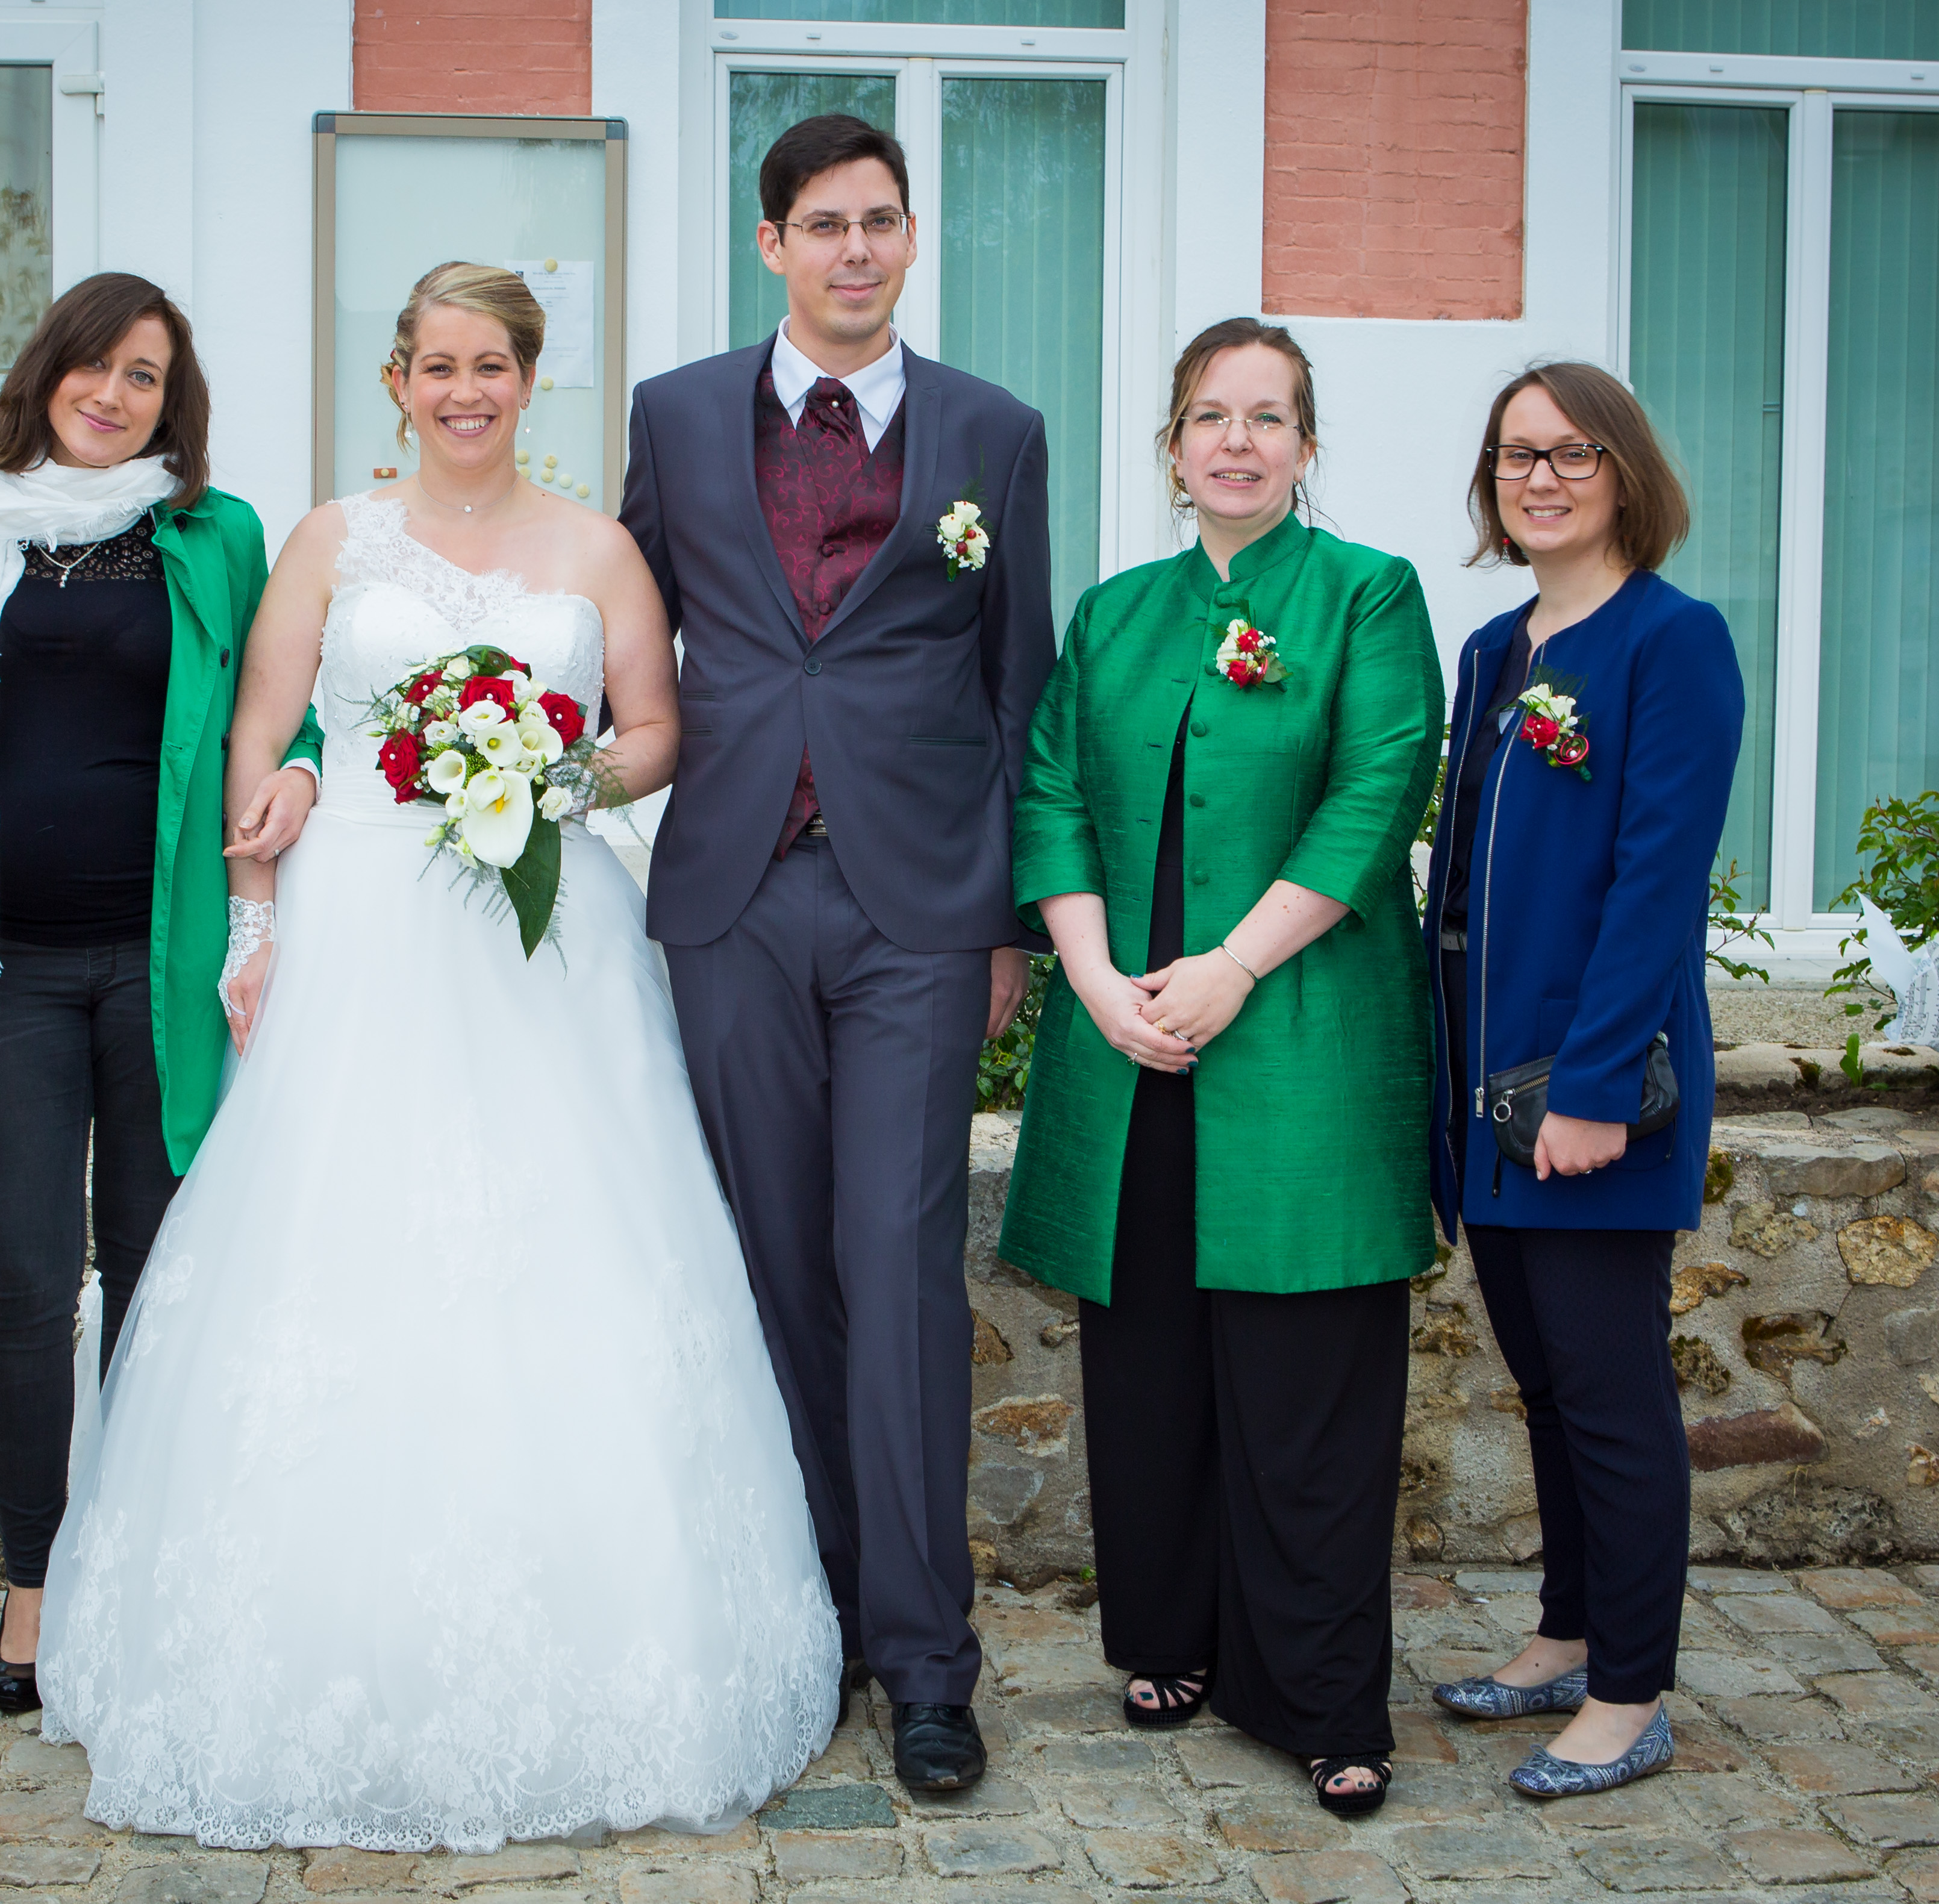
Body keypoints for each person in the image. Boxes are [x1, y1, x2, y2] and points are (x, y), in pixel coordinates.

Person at [30, 263, 841, 1850]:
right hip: (360, 930)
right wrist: (252, 917)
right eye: (438, 366)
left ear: (529, 381)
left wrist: (551, 779)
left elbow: (656, 730)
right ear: (398, 379)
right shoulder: (332, 539)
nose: (465, 392)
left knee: (572, 1251)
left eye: (493, 366)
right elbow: (262, 730)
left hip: (548, 939)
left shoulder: (596, 549)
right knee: (340, 1251)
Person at [619, 113, 1054, 1795]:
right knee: (771, 1264)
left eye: (879, 221)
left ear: (910, 237)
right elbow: (625, 643)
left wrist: (1008, 914)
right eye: (823, 223)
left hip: (917, 911)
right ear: (772, 244)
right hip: (729, 894)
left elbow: (1017, 683)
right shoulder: (675, 416)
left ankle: (930, 1663)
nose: (854, 249)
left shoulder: (991, 430)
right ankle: (817, 1620)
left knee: (898, 1262)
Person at [1000, 319, 1441, 1817]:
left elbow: (1374, 794)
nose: (1235, 442)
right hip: (1127, 1043)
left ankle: (1319, 1695)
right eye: (1209, 416)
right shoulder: (1115, 613)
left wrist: (1232, 967)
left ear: (1306, 447)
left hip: (1297, 1042)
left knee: (1306, 1384)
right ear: (1172, 447)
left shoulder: (1368, 594)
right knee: (1147, 1372)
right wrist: (1089, 977)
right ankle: (1167, 1636)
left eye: (1267, 417)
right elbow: (1051, 791)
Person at [0, 273, 327, 1715]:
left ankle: (141, 1575)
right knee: (24, 1279)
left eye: (146, 376)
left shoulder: (213, 533)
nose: (115, 395)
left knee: (155, 1270)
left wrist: (303, 768)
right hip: (2, 966)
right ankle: (33, 1583)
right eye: (97, 365)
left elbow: (291, 703)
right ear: (47, 371)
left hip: (161, 964)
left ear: (169, 403)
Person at [1424, 362, 1741, 1799]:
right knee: (1545, 1388)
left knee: (1611, 1397)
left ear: (1623, 473)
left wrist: (1596, 1087)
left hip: (1595, 1094)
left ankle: (1630, 1694)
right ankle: (1565, 1635)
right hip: (1487, 1097)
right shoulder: (1493, 649)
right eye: (1514, 455)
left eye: (1569, 454)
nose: (1538, 478)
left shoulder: (1674, 643)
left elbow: (1656, 883)